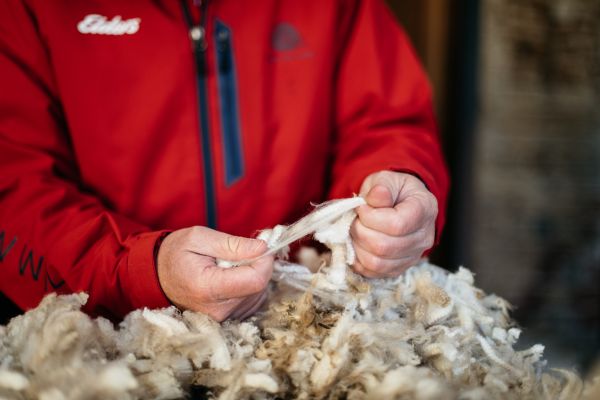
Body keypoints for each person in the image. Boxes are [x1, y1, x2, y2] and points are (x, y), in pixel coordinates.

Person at [0, 0, 449, 322]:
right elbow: (13, 184)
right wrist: (141, 272)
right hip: (99, 334)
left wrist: (398, 186)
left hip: (306, 313)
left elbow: (386, 121)